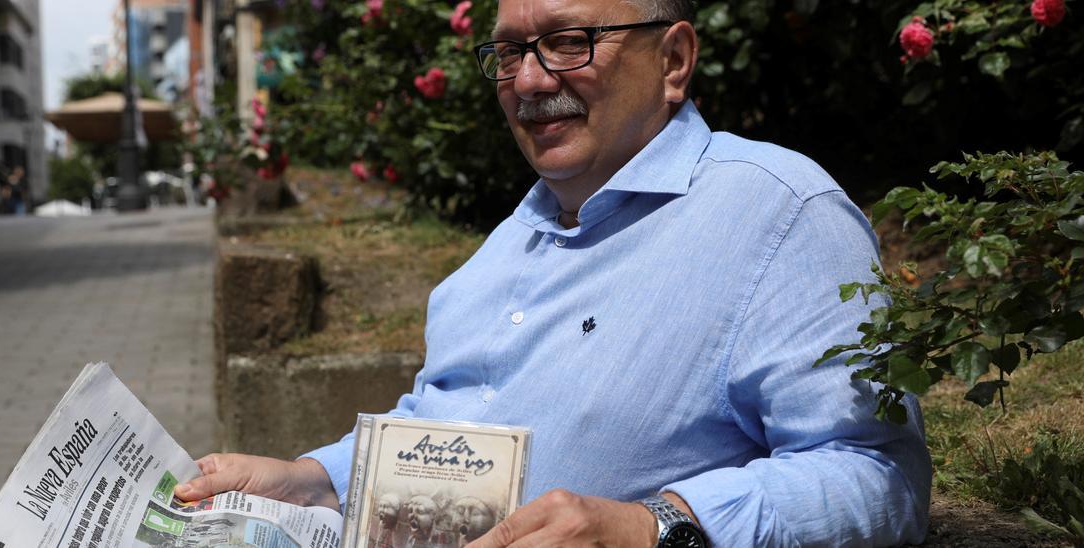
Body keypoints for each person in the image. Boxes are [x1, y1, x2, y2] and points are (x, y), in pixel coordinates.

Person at [176, 0, 932, 545]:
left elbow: (877, 473)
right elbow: (445, 430)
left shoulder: (779, 211)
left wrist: (654, 527)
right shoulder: (509, 240)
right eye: (509, 52)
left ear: (673, 61)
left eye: (570, 41)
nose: (531, 82)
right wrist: (312, 480)